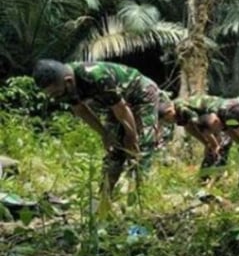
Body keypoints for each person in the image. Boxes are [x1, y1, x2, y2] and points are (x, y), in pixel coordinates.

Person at [32, 59, 161, 200]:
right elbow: (81, 110)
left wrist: (131, 135)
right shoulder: (65, 88)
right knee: (114, 149)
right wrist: (105, 134)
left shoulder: (96, 75)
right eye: (51, 96)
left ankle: (139, 196)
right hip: (114, 104)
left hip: (140, 93)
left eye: (57, 94)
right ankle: (104, 199)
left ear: (68, 81)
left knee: (142, 144)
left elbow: (122, 108)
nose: (56, 98)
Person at [158, 95, 239, 182]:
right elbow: (189, 128)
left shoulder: (182, 109)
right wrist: (206, 143)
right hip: (208, 121)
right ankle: (203, 179)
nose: (169, 122)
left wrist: (213, 144)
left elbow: (198, 125)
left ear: (169, 112)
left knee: (221, 148)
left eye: (167, 120)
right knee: (211, 149)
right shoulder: (177, 113)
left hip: (218, 115)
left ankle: (218, 179)